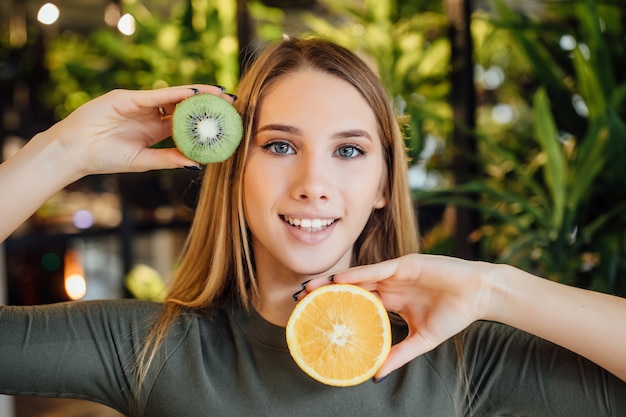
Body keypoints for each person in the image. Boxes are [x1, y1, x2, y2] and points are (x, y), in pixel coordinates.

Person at [0, 37, 625, 416]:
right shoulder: (153, 350)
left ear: (383, 186)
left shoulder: (457, 360)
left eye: (349, 151)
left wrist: (497, 292)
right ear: (234, 168)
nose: (312, 183)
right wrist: (61, 153)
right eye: (278, 146)